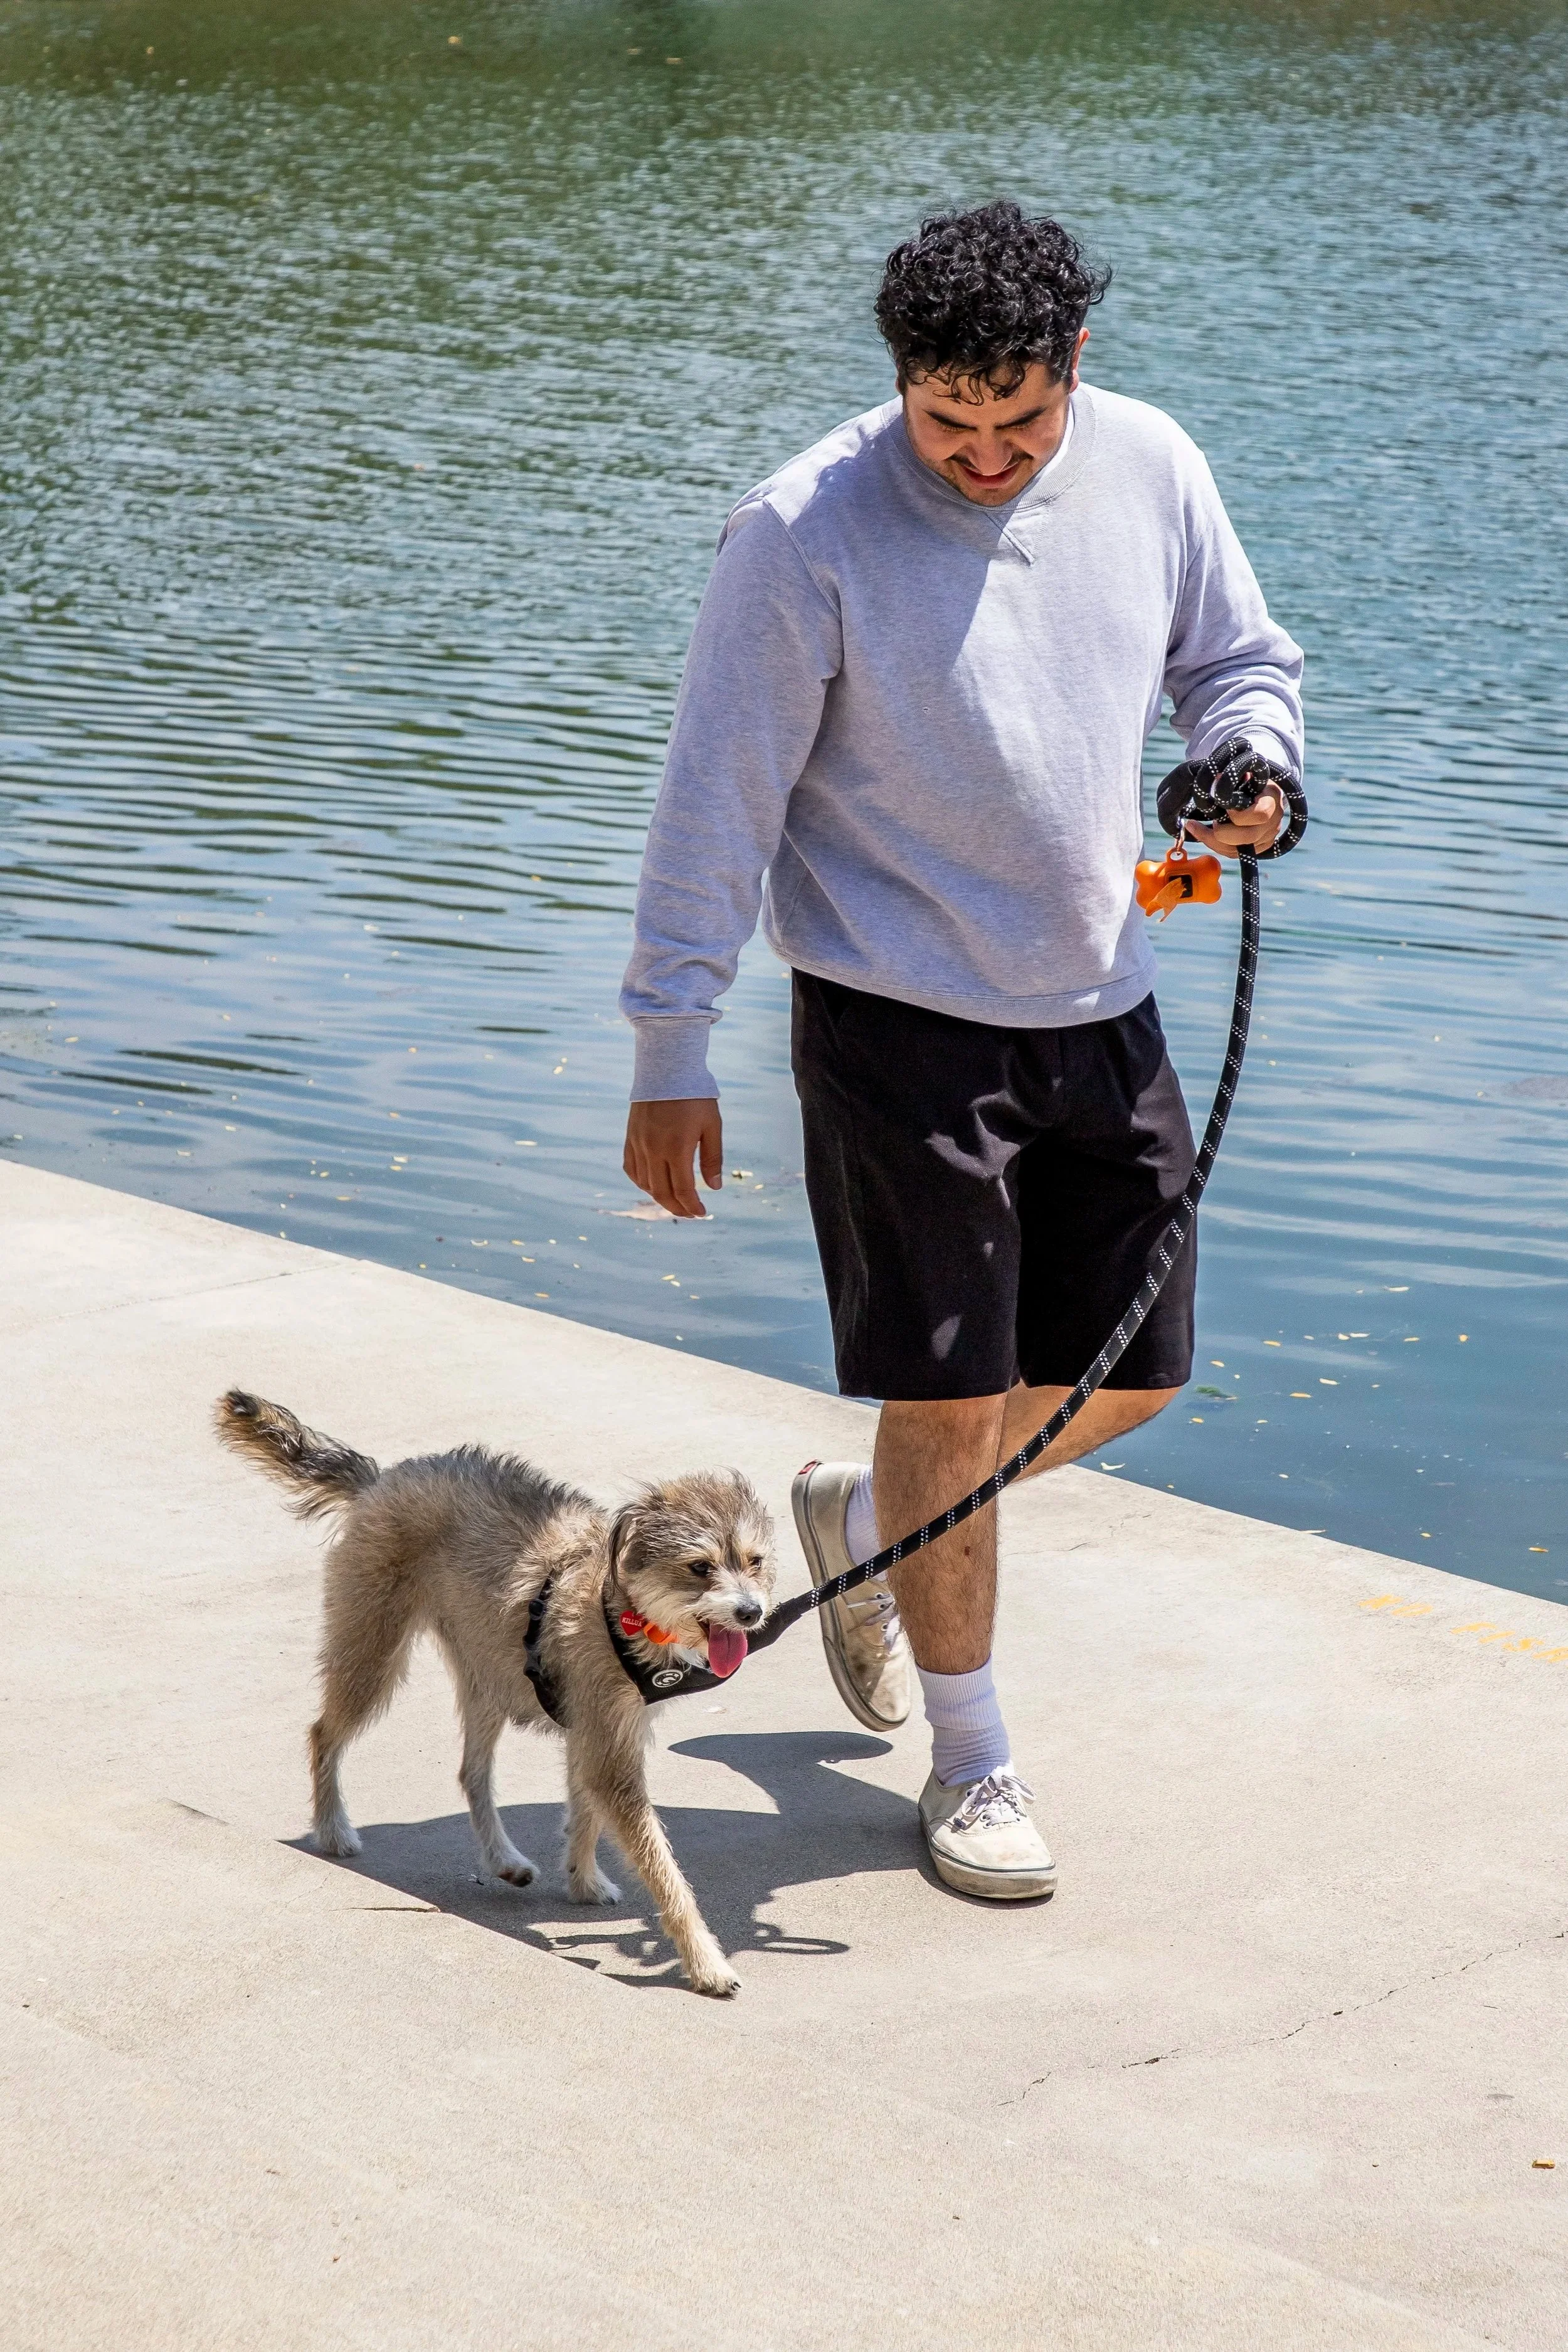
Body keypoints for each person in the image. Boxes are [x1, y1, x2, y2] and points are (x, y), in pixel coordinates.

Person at [619, 201, 1303, 1901]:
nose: (987, 454)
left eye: (1020, 418)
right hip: (895, 1026)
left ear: (1075, 363)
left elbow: (1235, 660)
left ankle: (871, 1518)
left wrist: (1253, 764)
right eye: (948, 423)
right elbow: (717, 794)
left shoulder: (1146, 462)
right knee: (946, 1394)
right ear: (899, 386)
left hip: (1100, 997)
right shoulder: (801, 532)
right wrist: (668, 1040)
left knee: (1126, 1379)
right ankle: (973, 1754)